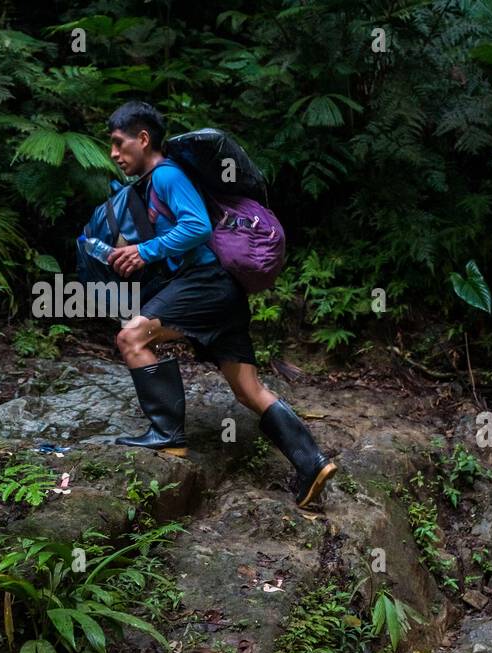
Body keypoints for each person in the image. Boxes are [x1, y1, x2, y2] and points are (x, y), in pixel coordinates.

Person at [103, 101, 335, 507]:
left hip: (208, 284)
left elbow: (197, 226)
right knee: (248, 389)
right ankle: (312, 464)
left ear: (143, 139)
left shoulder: (167, 175)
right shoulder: (157, 181)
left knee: (132, 336)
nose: (114, 154)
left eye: (119, 144)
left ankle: (167, 434)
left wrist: (146, 250)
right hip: (225, 293)